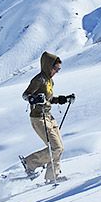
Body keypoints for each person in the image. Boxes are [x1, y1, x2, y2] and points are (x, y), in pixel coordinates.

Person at [20, 51, 75, 183]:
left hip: (48, 116)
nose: (56, 71)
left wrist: (63, 99)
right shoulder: (39, 80)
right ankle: (30, 163)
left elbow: (49, 99)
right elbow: (25, 95)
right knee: (56, 148)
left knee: (58, 147)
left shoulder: (50, 81)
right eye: (55, 68)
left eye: (58, 69)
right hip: (38, 118)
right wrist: (33, 99)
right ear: (48, 66)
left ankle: (52, 176)